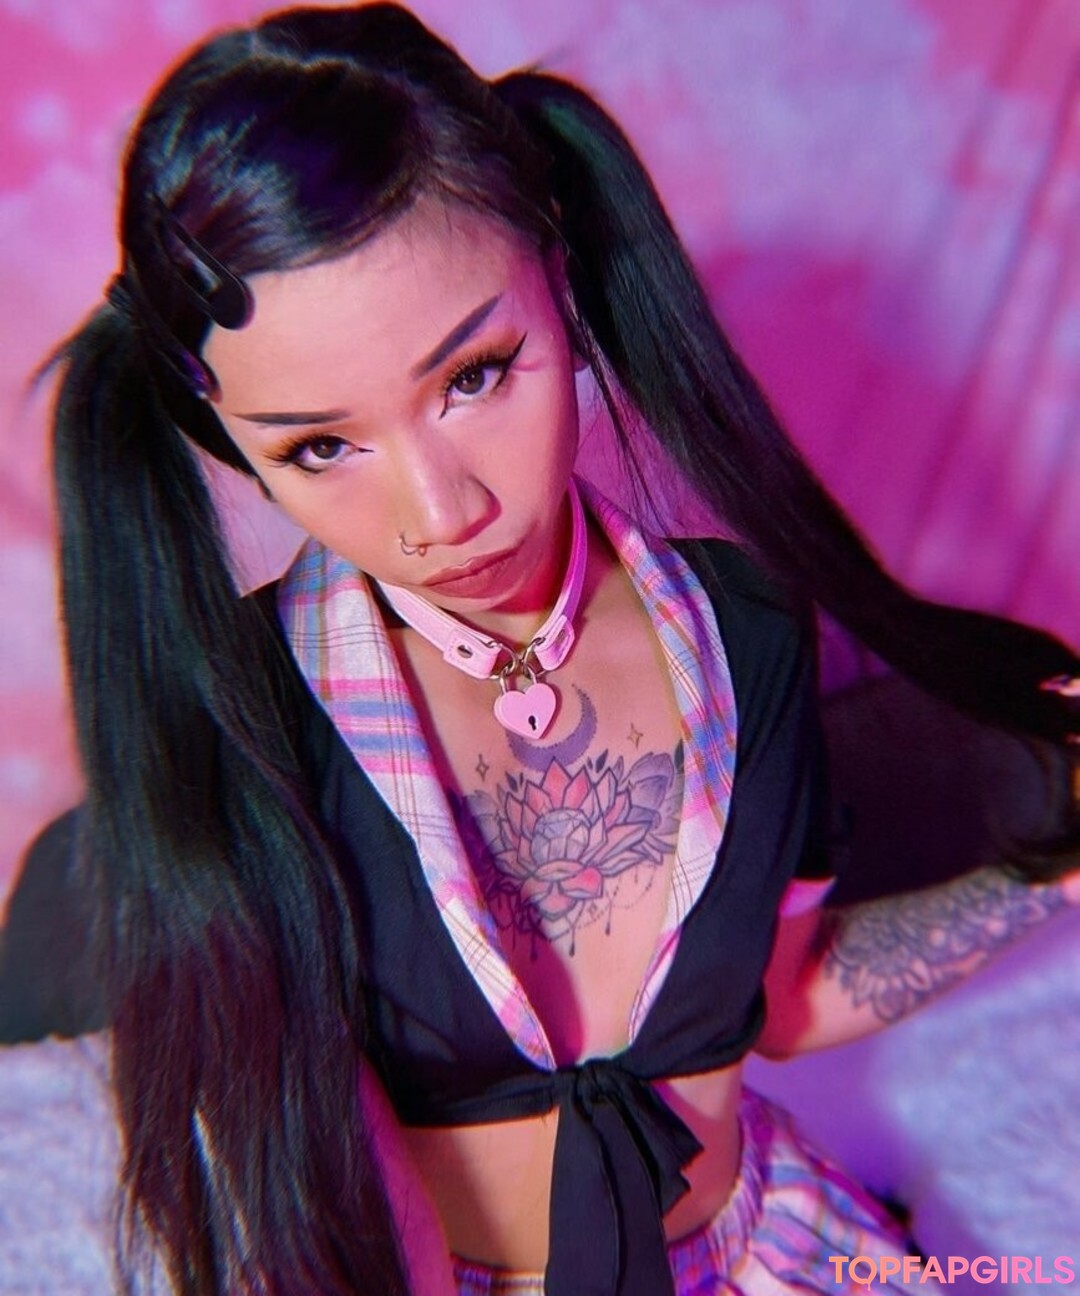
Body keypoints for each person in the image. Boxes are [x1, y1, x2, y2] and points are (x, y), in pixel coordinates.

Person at [15, 2, 1079, 1293]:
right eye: (321, 446)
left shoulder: (740, 629)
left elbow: (783, 996)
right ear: (229, 442)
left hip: (769, 1245)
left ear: (560, 287)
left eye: (473, 376)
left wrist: (1048, 880)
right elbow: (322, 1159)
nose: (438, 512)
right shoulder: (256, 715)